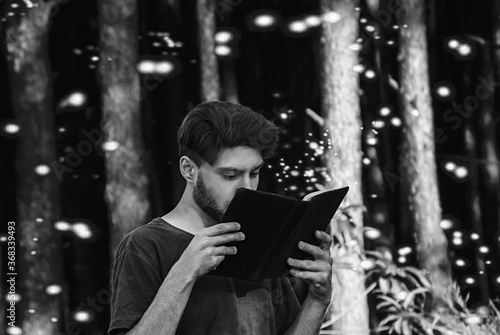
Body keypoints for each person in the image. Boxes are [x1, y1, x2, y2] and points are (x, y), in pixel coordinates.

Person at [108, 101, 334, 335]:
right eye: (230, 175)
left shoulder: (260, 239)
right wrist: (184, 273)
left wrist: (318, 300)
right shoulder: (145, 244)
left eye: (254, 173)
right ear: (189, 169)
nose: (247, 188)